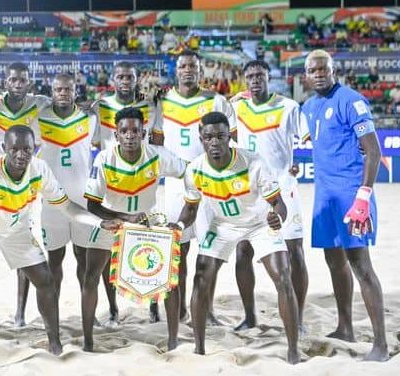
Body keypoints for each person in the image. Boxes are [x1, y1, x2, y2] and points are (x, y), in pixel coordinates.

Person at [0, 125, 99, 365]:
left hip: (17, 231)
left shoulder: (40, 169)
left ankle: (55, 343)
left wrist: (99, 222)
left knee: (46, 281)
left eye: (26, 149)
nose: (20, 155)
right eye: (14, 149)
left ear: (33, 149)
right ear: (4, 149)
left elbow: (67, 207)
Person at [176, 111, 300, 364]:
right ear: (201, 138)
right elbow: (190, 209)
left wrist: (278, 217)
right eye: (208, 137)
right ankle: (199, 348)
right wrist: (178, 224)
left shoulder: (253, 163)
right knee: (201, 276)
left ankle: (293, 351)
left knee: (283, 276)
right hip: (222, 225)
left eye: (221, 136)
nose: (215, 142)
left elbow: (278, 203)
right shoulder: (195, 170)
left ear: (229, 137)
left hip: (259, 223)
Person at [301, 49, 388, 361]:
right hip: (325, 197)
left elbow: (374, 151)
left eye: (324, 69)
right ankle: (345, 327)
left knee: (362, 267)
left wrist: (364, 195)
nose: (320, 74)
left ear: (333, 70)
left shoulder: (351, 100)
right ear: (306, 76)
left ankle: (380, 344)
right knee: (334, 263)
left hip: (352, 195)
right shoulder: (309, 107)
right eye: (314, 70)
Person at [83, 107, 187, 352]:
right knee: (90, 276)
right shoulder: (104, 158)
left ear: (143, 133)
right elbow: (92, 205)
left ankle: (173, 340)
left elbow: (188, 171)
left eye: (135, 131)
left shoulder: (157, 155)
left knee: (170, 279)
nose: (129, 135)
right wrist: (123, 217)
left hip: (147, 224)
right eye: (124, 131)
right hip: (113, 220)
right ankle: (88, 340)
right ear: (116, 135)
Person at [151, 50, 235, 324]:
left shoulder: (216, 101)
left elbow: (231, 141)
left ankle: (206, 310)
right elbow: (155, 142)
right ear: (176, 70)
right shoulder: (160, 101)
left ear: (200, 71)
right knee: (178, 252)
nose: (188, 70)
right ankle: (181, 311)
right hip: (176, 186)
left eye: (193, 66)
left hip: (209, 186)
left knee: (209, 252)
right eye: (183, 66)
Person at [230, 60, 309, 331]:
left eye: (259, 75)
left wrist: (298, 161)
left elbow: (309, 139)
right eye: (250, 76)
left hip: (283, 187)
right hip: (248, 192)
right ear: (244, 80)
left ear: (269, 77)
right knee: (243, 251)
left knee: (295, 252)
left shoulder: (288, 107)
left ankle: (297, 318)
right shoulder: (236, 107)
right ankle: (250, 316)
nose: (254, 80)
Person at [15, 73, 99, 326]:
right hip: (52, 202)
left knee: (84, 260)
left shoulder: (90, 118)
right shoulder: (39, 120)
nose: (63, 93)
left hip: (83, 201)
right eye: (58, 89)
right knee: (54, 261)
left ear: (76, 91)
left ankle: (89, 313)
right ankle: (54, 315)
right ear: (52, 91)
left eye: (68, 89)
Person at [0, 62, 50, 327]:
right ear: (5, 82)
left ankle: (20, 314)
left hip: (24, 186)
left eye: (23, 80)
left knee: (25, 248)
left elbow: (65, 101)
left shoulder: (40, 104)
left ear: (28, 83)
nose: (18, 84)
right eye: (13, 80)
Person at [93, 61, 159, 323]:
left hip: (141, 175)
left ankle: (154, 304)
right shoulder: (101, 105)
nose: (125, 80)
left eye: (129, 77)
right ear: (113, 79)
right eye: (120, 76)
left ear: (136, 79)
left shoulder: (150, 105)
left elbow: (156, 139)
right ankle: (112, 307)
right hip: (113, 178)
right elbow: (95, 142)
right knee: (110, 249)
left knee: (150, 246)